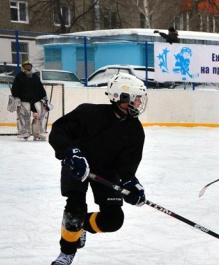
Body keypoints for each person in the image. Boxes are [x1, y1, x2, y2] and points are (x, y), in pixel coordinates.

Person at [48, 73, 148, 265]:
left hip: (105, 171)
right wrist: (72, 153)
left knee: (113, 220)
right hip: (77, 164)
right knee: (75, 208)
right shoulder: (88, 113)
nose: (138, 102)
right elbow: (59, 132)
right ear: (121, 98)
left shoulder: (135, 131)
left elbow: (127, 168)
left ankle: (81, 226)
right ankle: (67, 252)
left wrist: (132, 185)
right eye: (135, 98)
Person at [10, 61, 49, 140]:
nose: (28, 67)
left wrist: (44, 97)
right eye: (26, 66)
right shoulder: (19, 77)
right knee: (24, 115)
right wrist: (16, 97)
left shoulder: (35, 77)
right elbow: (14, 89)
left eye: (29, 66)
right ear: (23, 67)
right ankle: (24, 132)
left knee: (40, 115)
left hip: (36, 100)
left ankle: (39, 133)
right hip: (24, 100)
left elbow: (41, 88)